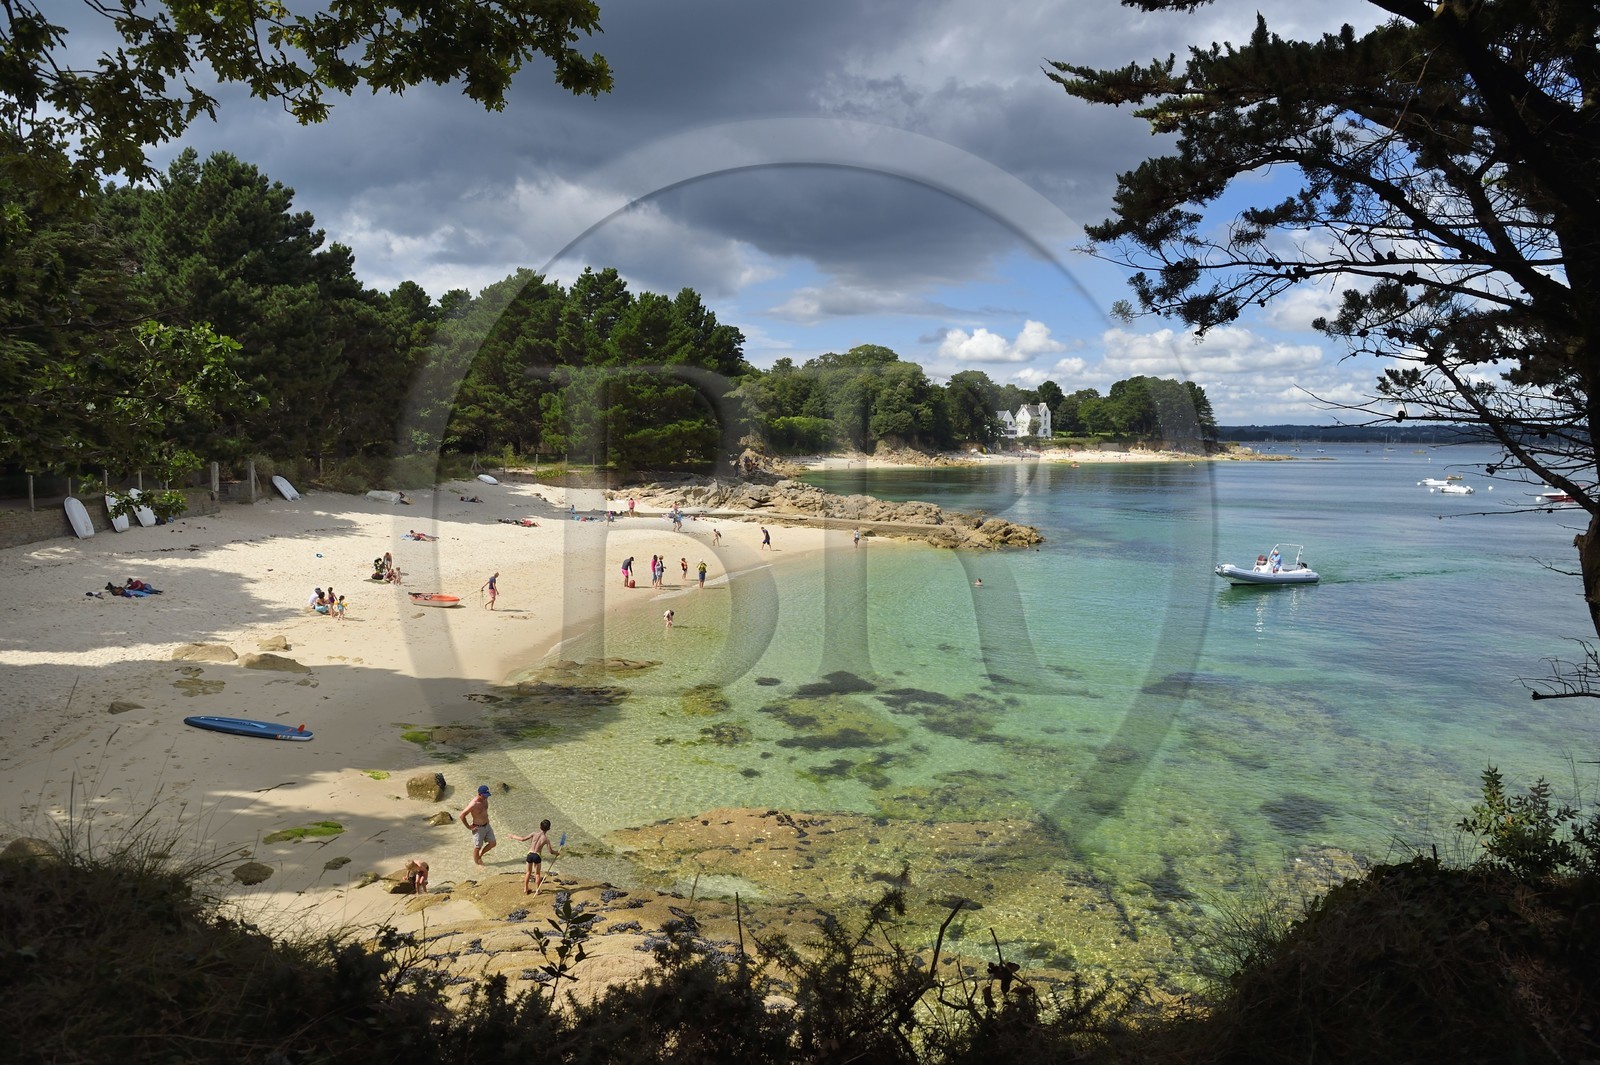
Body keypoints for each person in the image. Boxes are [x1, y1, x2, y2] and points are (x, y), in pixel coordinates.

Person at [511, 819, 561, 895]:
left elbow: (522, 839)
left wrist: (513, 836)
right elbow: (550, 851)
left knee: (528, 872)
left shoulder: (534, 834)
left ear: (540, 826)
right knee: (537, 874)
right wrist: (556, 853)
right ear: (549, 829)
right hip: (537, 856)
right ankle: (537, 890)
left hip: (530, 854)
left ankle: (526, 888)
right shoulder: (546, 839)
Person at [460, 785, 496, 864]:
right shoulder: (474, 804)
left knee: (493, 843)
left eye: (487, 795)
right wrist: (469, 827)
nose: (486, 797)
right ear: (479, 794)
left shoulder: (485, 799)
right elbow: (462, 815)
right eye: (484, 796)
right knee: (477, 848)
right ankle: (477, 863)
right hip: (478, 828)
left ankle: (480, 855)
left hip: (487, 825)